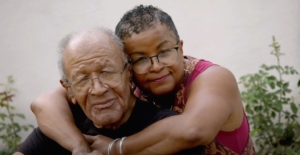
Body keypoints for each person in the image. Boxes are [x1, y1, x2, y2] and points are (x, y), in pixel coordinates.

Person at [30, 5, 256, 155]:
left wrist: (113, 148)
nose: (156, 66)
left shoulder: (212, 77)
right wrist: (79, 147)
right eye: (140, 59)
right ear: (127, 66)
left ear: (181, 47)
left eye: (164, 51)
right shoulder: (125, 82)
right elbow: (44, 104)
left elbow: (193, 131)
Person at [14, 28, 204, 155]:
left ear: (129, 73)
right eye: (82, 79)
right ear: (69, 90)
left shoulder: (167, 131)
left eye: (107, 73)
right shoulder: (62, 128)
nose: (97, 89)